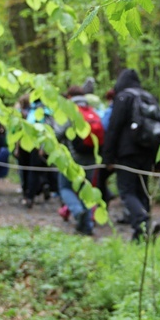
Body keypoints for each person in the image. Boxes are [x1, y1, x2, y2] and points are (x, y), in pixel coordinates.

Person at [103, 69, 160, 241]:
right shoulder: (149, 97)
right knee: (142, 191)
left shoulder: (124, 97)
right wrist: (157, 159)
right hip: (147, 152)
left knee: (127, 191)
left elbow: (113, 128)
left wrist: (108, 157)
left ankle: (142, 221)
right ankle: (142, 233)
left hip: (127, 153)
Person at [57, 86, 99, 236]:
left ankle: (77, 211)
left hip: (72, 159)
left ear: (69, 97)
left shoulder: (71, 111)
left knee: (65, 187)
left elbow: (59, 132)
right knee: (85, 191)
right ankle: (87, 227)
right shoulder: (92, 111)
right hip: (91, 158)